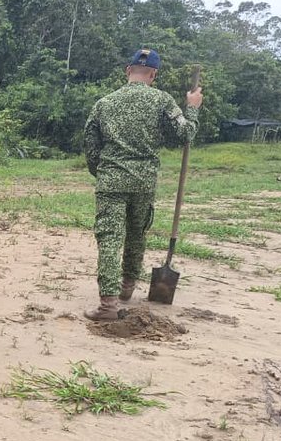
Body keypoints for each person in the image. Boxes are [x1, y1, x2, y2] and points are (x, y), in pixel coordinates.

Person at [83, 48, 202, 320]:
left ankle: (108, 304)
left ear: (127, 71)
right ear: (154, 74)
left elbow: (90, 143)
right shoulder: (162, 101)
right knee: (137, 234)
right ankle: (127, 286)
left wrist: (99, 171)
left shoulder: (104, 103)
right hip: (143, 182)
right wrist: (192, 109)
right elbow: (185, 133)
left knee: (110, 239)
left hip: (111, 180)